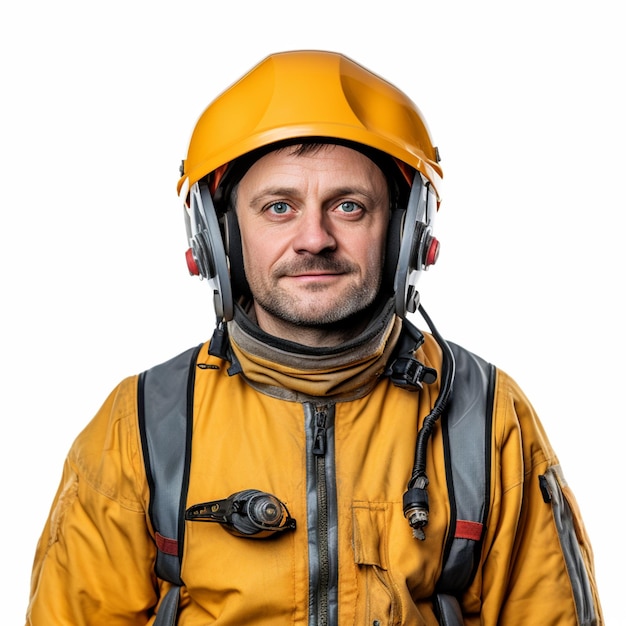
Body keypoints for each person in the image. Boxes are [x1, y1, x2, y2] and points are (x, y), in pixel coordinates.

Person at [26, 50, 603, 625]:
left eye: (349, 207)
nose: (314, 239)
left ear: (405, 235)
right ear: (219, 240)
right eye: (279, 207)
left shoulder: (487, 419)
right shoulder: (139, 428)